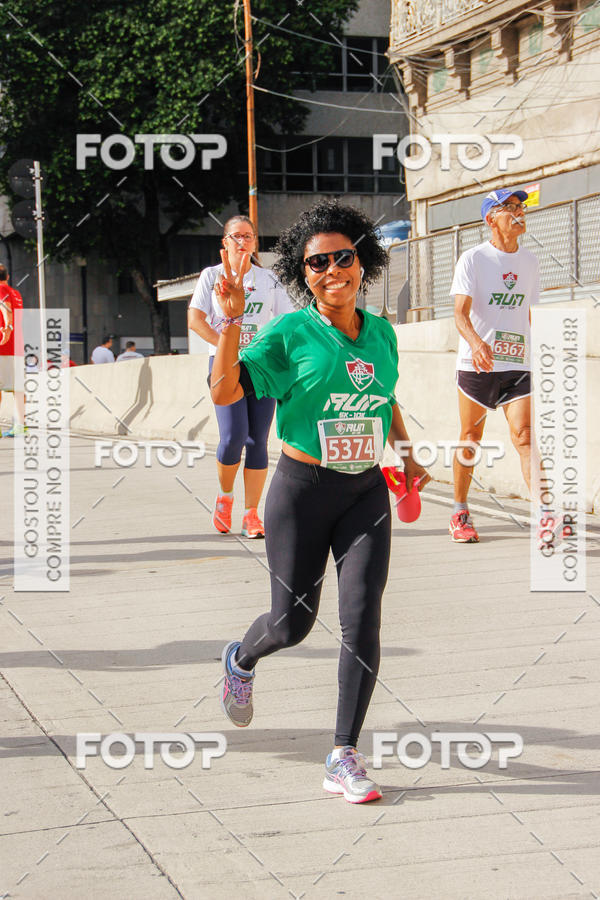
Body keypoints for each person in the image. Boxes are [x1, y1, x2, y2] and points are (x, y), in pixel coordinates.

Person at [211, 200, 429, 803]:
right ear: (302, 275)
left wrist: (407, 455)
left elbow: (385, 398)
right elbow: (225, 390)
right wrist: (231, 322)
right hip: (301, 492)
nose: (332, 270)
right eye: (317, 263)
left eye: (343, 258)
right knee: (291, 624)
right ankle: (241, 658)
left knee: (362, 617)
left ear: (363, 262)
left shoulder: (382, 333)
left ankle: (343, 754)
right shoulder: (289, 334)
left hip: (365, 492)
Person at [188, 215, 294, 538]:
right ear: (225, 242)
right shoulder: (211, 276)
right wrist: (226, 346)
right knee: (233, 436)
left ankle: (251, 514)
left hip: (260, 366)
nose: (243, 241)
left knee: (257, 440)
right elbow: (195, 319)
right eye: (236, 236)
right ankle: (225, 496)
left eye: (248, 236)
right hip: (225, 365)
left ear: (255, 243)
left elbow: (287, 321)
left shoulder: (269, 279)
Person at [449, 187, 540, 543]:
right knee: (471, 437)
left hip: (517, 363)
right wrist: (476, 343)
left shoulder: (530, 262)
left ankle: (544, 514)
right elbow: (460, 313)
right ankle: (459, 510)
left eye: (521, 207)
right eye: (510, 207)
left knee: (525, 436)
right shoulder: (473, 259)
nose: (519, 212)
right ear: (491, 218)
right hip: (478, 365)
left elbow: (527, 312)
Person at [0, 264, 25, 437]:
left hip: (3, 346)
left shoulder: (1, 290)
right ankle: (20, 426)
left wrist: (7, 329)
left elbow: (5, 307)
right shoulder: (16, 293)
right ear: (8, 277)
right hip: (17, 346)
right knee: (18, 388)